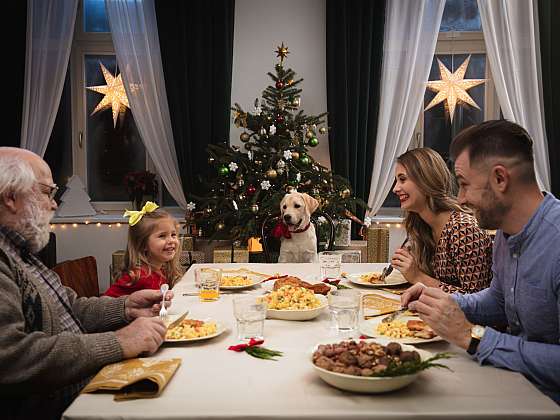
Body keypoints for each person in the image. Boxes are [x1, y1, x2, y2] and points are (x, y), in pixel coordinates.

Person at [0, 147, 172, 420]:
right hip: (65, 406)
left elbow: (73, 307)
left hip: (88, 383)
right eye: (47, 192)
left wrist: (126, 307)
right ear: (10, 197)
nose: (54, 204)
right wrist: (118, 341)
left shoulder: (24, 255)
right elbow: (11, 358)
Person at [402, 120, 560, 404]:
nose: (460, 198)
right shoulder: (504, 232)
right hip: (513, 383)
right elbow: (498, 301)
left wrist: (472, 337)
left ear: (500, 179)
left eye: (464, 184)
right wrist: (440, 302)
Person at [390, 147, 493, 293]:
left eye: (402, 179)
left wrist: (418, 277)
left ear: (426, 180)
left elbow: (477, 299)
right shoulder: (423, 225)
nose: (395, 188)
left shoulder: (463, 230)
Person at [104, 202, 182, 298]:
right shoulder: (140, 276)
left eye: (173, 235)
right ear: (143, 244)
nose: (171, 240)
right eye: (162, 236)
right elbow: (103, 305)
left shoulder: (160, 270)